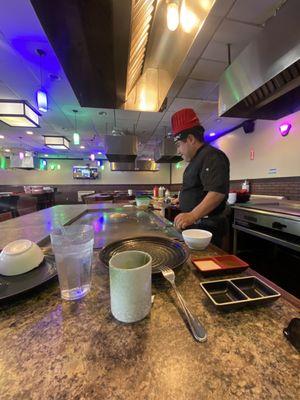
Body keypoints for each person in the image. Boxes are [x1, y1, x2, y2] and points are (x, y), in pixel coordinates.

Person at [171, 108, 230, 248]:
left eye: (179, 145)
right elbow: (198, 187)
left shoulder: (212, 156)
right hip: (197, 226)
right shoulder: (196, 159)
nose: (178, 151)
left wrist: (192, 215)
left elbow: (217, 192)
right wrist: (183, 199)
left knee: (204, 266)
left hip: (207, 228)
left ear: (190, 139)